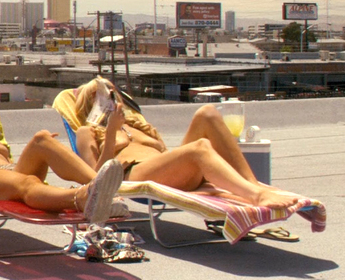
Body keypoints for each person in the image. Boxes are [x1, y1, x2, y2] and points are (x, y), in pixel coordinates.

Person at [69, 79, 310, 211]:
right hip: (134, 173)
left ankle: (253, 185)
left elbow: (164, 154)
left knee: (207, 113)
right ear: (89, 105)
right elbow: (94, 178)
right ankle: (256, 196)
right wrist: (111, 133)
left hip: (167, 170)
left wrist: (126, 125)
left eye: (112, 92)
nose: (110, 98)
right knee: (201, 146)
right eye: (100, 96)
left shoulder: (136, 125)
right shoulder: (87, 132)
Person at [0, 81, 124, 224]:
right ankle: (82, 197)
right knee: (27, 182)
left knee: (41, 139)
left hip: (10, 172)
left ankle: (101, 187)